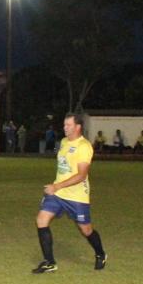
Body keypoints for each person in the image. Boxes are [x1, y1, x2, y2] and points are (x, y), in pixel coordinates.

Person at [32, 113, 106, 274]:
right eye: (64, 125)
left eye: (68, 125)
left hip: (76, 196)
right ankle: (49, 262)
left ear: (78, 127)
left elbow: (81, 175)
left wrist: (57, 186)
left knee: (86, 230)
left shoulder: (84, 146)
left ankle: (100, 253)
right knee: (41, 220)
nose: (65, 128)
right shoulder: (64, 142)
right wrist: (56, 188)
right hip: (57, 194)